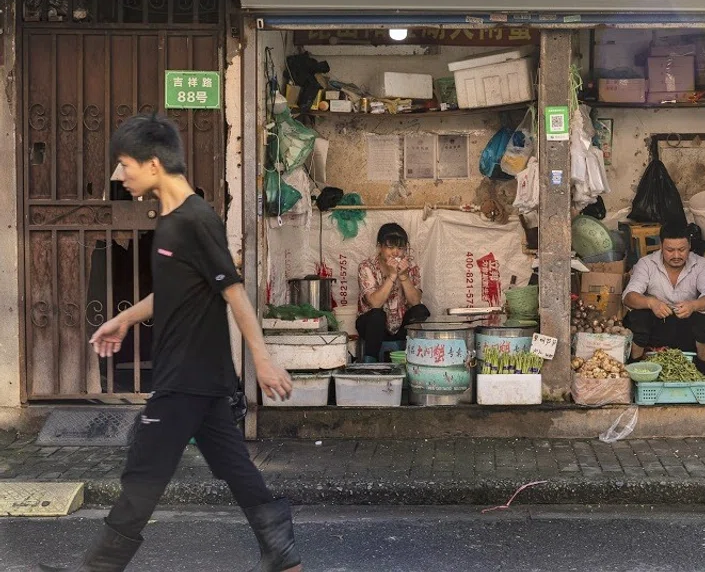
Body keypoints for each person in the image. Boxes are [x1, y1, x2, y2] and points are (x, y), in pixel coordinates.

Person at [40, 114, 302, 572]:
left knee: (145, 469)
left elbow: (233, 291)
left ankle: (97, 569)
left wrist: (263, 361)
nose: (118, 175)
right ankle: (282, 554)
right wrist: (123, 318)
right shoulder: (170, 220)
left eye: (124, 165)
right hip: (202, 376)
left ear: (154, 164)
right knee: (234, 467)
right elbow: (175, 292)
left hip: (185, 376)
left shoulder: (195, 220)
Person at [622, 220, 705, 376]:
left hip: (687, 329)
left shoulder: (701, 264)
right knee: (638, 314)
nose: (676, 255)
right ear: (661, 246)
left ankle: (702, 369)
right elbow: (629, 297)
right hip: (656, 328)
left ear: (689, 246)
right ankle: (635, 367)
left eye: (682, 249)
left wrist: (693, 305)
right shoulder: (646, 263)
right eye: (670, 250)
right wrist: (651, 302)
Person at [356, 223, 430, 362]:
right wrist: (391, 276)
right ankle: (369, 363)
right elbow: (375, 303)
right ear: (380, 247)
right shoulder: (367, 266)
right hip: (372, 327)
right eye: (390, 247)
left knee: (420, 311)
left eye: (400, 248)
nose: (395, 252)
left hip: (400, 325)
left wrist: (403, 276)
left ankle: (416, 358)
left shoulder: (410, 267)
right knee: (377, 316)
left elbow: (415, 302)